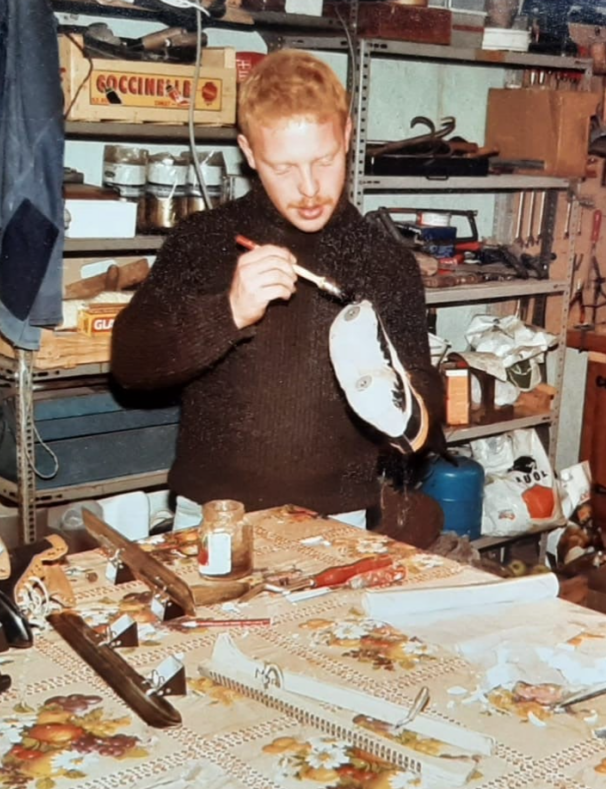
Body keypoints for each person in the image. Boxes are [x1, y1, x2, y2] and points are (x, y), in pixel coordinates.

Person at [110, 49, 444, 531]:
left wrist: (408, 414)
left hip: (339, 521)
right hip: (213, 521)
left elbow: (424, 397)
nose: (309, 188)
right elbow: (129, 365)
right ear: (249, 153)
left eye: (324, 160)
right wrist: (228, 311)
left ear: (348, 135)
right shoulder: (202, 240)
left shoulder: (385, 262)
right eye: (284, 168)